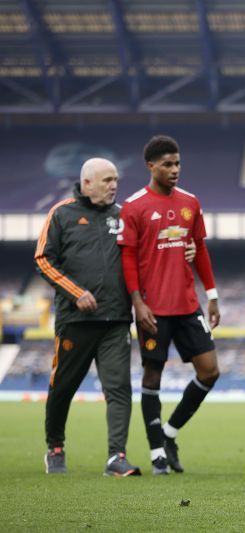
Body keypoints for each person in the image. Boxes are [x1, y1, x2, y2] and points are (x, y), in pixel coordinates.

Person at [34, 157, 189, 476]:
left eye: (116, 179)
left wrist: (185, 251)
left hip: (116, 320)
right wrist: (76, 292)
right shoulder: (61, 213)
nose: (114, 185)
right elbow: (43, 260)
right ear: (87, 183)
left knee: (119, 390)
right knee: (62, 387)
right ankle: (55, 446)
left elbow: (151, 254)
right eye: (107, 180)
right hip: (74, 323)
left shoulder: (124, 216)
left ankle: (115, 457)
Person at [118, 135, 221, 475]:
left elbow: (200, 249)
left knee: (210, 370)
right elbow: (128, 257)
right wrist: (138, 303)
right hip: (153, 308)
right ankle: (156, 452)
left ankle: (170, 431)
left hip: (187, 305)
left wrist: (212, 295)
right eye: (167, 164)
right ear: (151, 166)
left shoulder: (191, 202)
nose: (175, 169)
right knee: (152, 374)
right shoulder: (134, 206)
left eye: (177, 163)